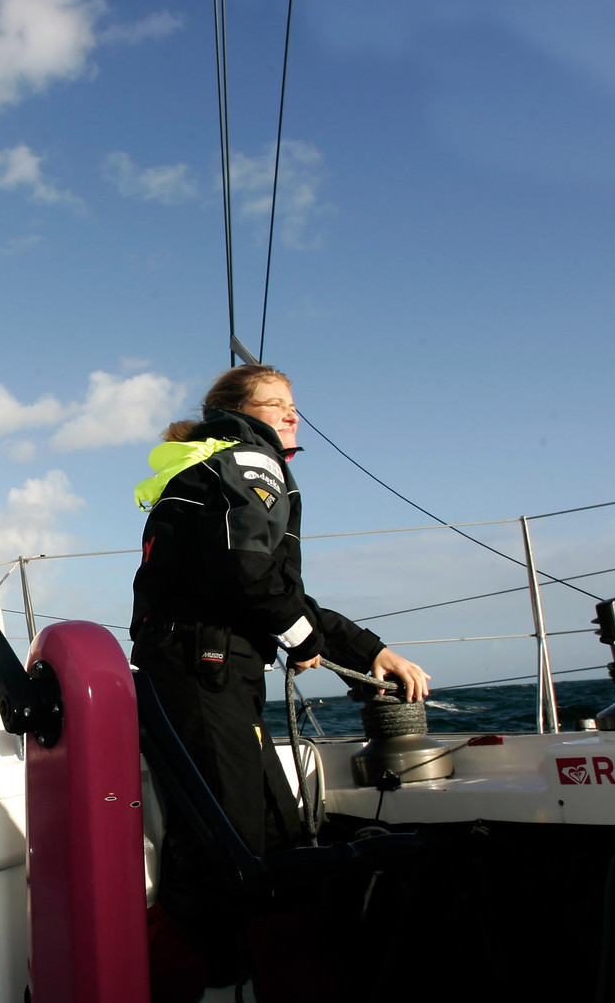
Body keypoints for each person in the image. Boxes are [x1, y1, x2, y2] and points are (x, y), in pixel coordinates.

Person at [130, 365, 429, 988]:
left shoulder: (209, 467)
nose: (292, 416)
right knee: (228, 848)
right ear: (238, 414)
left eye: (293, 405)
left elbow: (274, 589)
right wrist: (300, 639)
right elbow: (250, 574)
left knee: (276, 839)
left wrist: (367, 650)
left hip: (210, 673)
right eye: (277, 405)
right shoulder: (252, 463)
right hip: (204, 669)